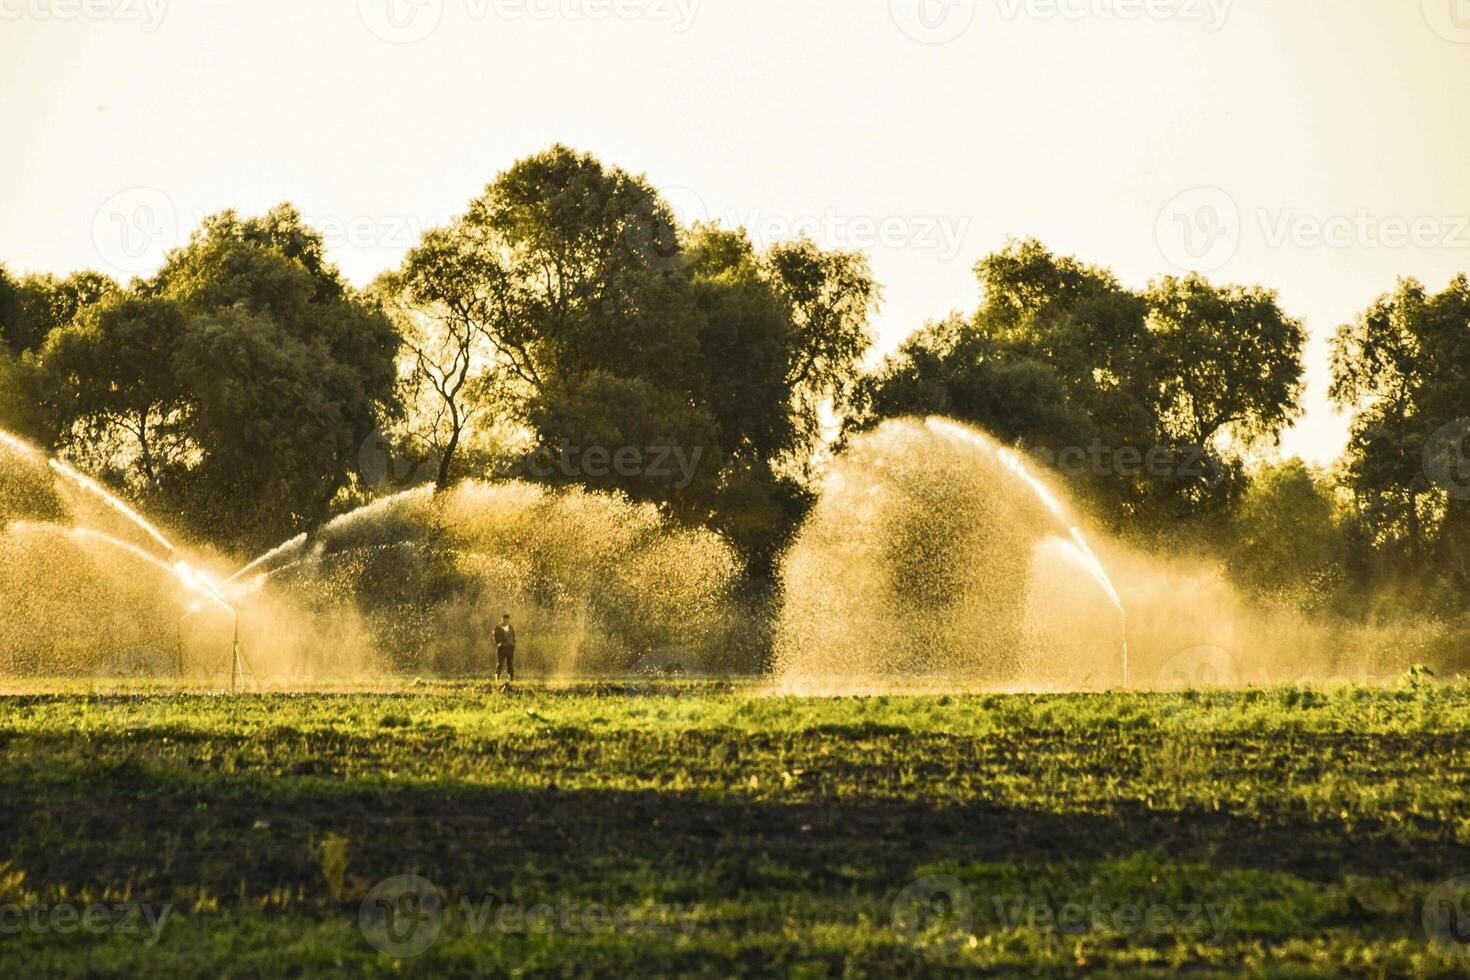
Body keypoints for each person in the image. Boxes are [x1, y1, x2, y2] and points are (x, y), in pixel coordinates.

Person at [493, 613, 516, 682]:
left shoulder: (511, 628)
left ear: (509, 620)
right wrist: (499, 643)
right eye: (504, 619)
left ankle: (511, 678)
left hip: (510, 648)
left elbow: (513, 637)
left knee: (510, 663)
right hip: (502, 648)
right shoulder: (498, 628)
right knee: (500, 663)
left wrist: (513, 644)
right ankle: (497, 676)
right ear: (502, 619)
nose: (506, 621)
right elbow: (495, 637)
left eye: (507, 619)